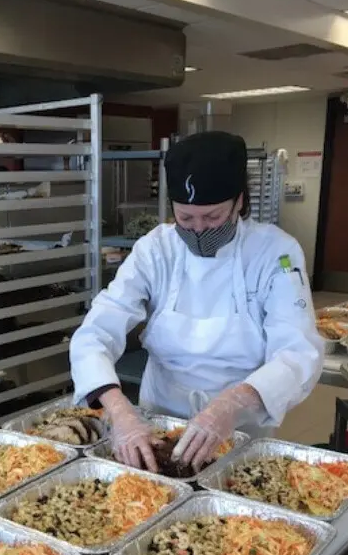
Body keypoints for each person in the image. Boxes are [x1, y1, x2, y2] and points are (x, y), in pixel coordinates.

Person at [70, 131, 324, 473]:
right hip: (158, 419)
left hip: (240, 425)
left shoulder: (275, 253)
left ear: (239, 202)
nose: (200, 230)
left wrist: (232, 404)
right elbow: (95, 333)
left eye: (213, 218)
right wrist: (119, 411)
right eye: (186, 219)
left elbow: (298, 351)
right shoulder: (155, 249)